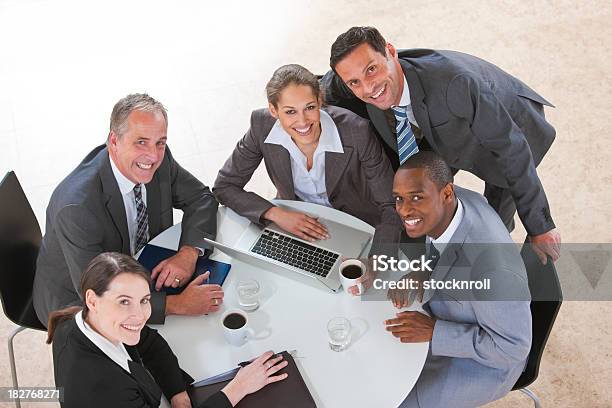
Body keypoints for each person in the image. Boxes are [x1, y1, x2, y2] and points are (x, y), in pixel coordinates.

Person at [321, 26, 560, 264]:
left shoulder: (454, 84)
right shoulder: (353, 78)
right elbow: (319, 86)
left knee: (494, 218)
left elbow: (512, 149)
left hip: (508, 126)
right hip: (438, 123)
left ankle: (492, 255)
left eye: (372, 70)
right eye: (354, 82)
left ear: (390, 52)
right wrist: (287, 105)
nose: (367, 88)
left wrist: (540, 227)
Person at [34, 93, 222, 326]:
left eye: (160, 142)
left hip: (137, 269)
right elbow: (101, 297)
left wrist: (187, 254)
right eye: (140, 142)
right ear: (113, 141)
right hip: (79, 302)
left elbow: (201, 198)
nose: (153, 156)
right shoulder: (76, 208)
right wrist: (177, 305)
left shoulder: (158, 161)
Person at [383, 151, 531, 407]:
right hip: (449, 313)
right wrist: (423, 270)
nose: (405, 210)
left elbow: (512, 348)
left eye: (416, 198)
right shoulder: (451, 204)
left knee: (393, 400)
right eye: (399, 199)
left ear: (447, 194)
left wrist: (434, 332)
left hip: (485, 365)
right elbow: (444, 245)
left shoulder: (494, 271)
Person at [46, 252, 288, 408]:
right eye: (123, 301)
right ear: (92, 300)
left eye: (144, 300)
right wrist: (238, 388)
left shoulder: (85, 320)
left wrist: (177, 393)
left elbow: (149, 342)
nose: (140, 316)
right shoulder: (101, 391)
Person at [213, 64, 400, 260]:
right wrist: (276, 214)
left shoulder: (357, 131)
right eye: (290, 112)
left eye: (309, 108)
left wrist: (377, 260)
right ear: (273, 110)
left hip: (355, 226)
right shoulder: (261, 126)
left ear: (320, 101)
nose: (302, 122)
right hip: (294, 226)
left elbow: (390, 203)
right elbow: (224, 186)